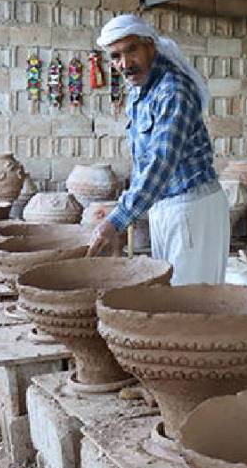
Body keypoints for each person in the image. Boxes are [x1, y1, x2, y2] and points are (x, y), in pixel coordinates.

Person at [87, 14, 229, 285]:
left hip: (191, 209)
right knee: (169, 295)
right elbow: (144, 161)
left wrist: (117, 220)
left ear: (150, 46)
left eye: (132, 50)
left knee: (190, 303)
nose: (125, 64)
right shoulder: (140, 89)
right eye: (116, 56)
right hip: (166, 208)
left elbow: (161, 162)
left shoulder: (173, 90)